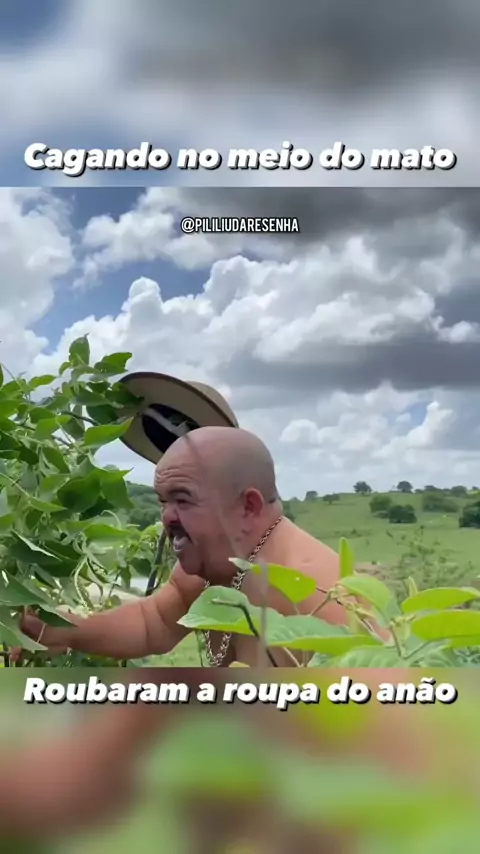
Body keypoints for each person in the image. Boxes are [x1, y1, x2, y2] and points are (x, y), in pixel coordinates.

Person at [15, 425, 345, 667]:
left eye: (183, 500)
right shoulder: (216, 562)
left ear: (248, 507)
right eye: (163, 501)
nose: (167, 517)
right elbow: (152, 623)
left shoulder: (319, 598)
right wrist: (65, 630)